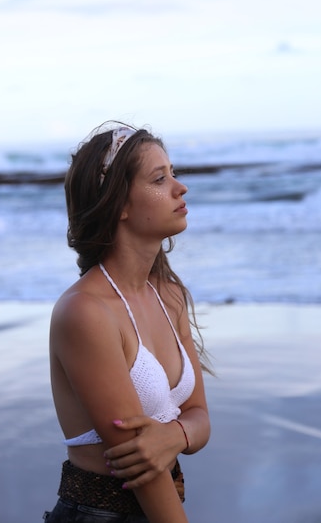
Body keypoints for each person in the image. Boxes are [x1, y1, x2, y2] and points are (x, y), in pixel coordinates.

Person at [43, 122, 211, 523]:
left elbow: (200, 417)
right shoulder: (85, 312)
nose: (179, 187)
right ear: (120, 204)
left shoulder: (168, 295)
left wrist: (174, 435)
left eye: (174, 173)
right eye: (159, 178)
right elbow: (140, 468)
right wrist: (179, 435)